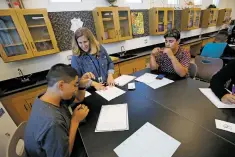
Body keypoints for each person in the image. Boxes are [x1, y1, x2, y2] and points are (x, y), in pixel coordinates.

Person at [24, 64, 92, 157]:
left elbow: (78, 99)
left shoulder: (48, 96)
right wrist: (75, 121)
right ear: (61, 85)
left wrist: (81, 86)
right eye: (74, 84)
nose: (75, 89)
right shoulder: (53, 122)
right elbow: (65, 154)